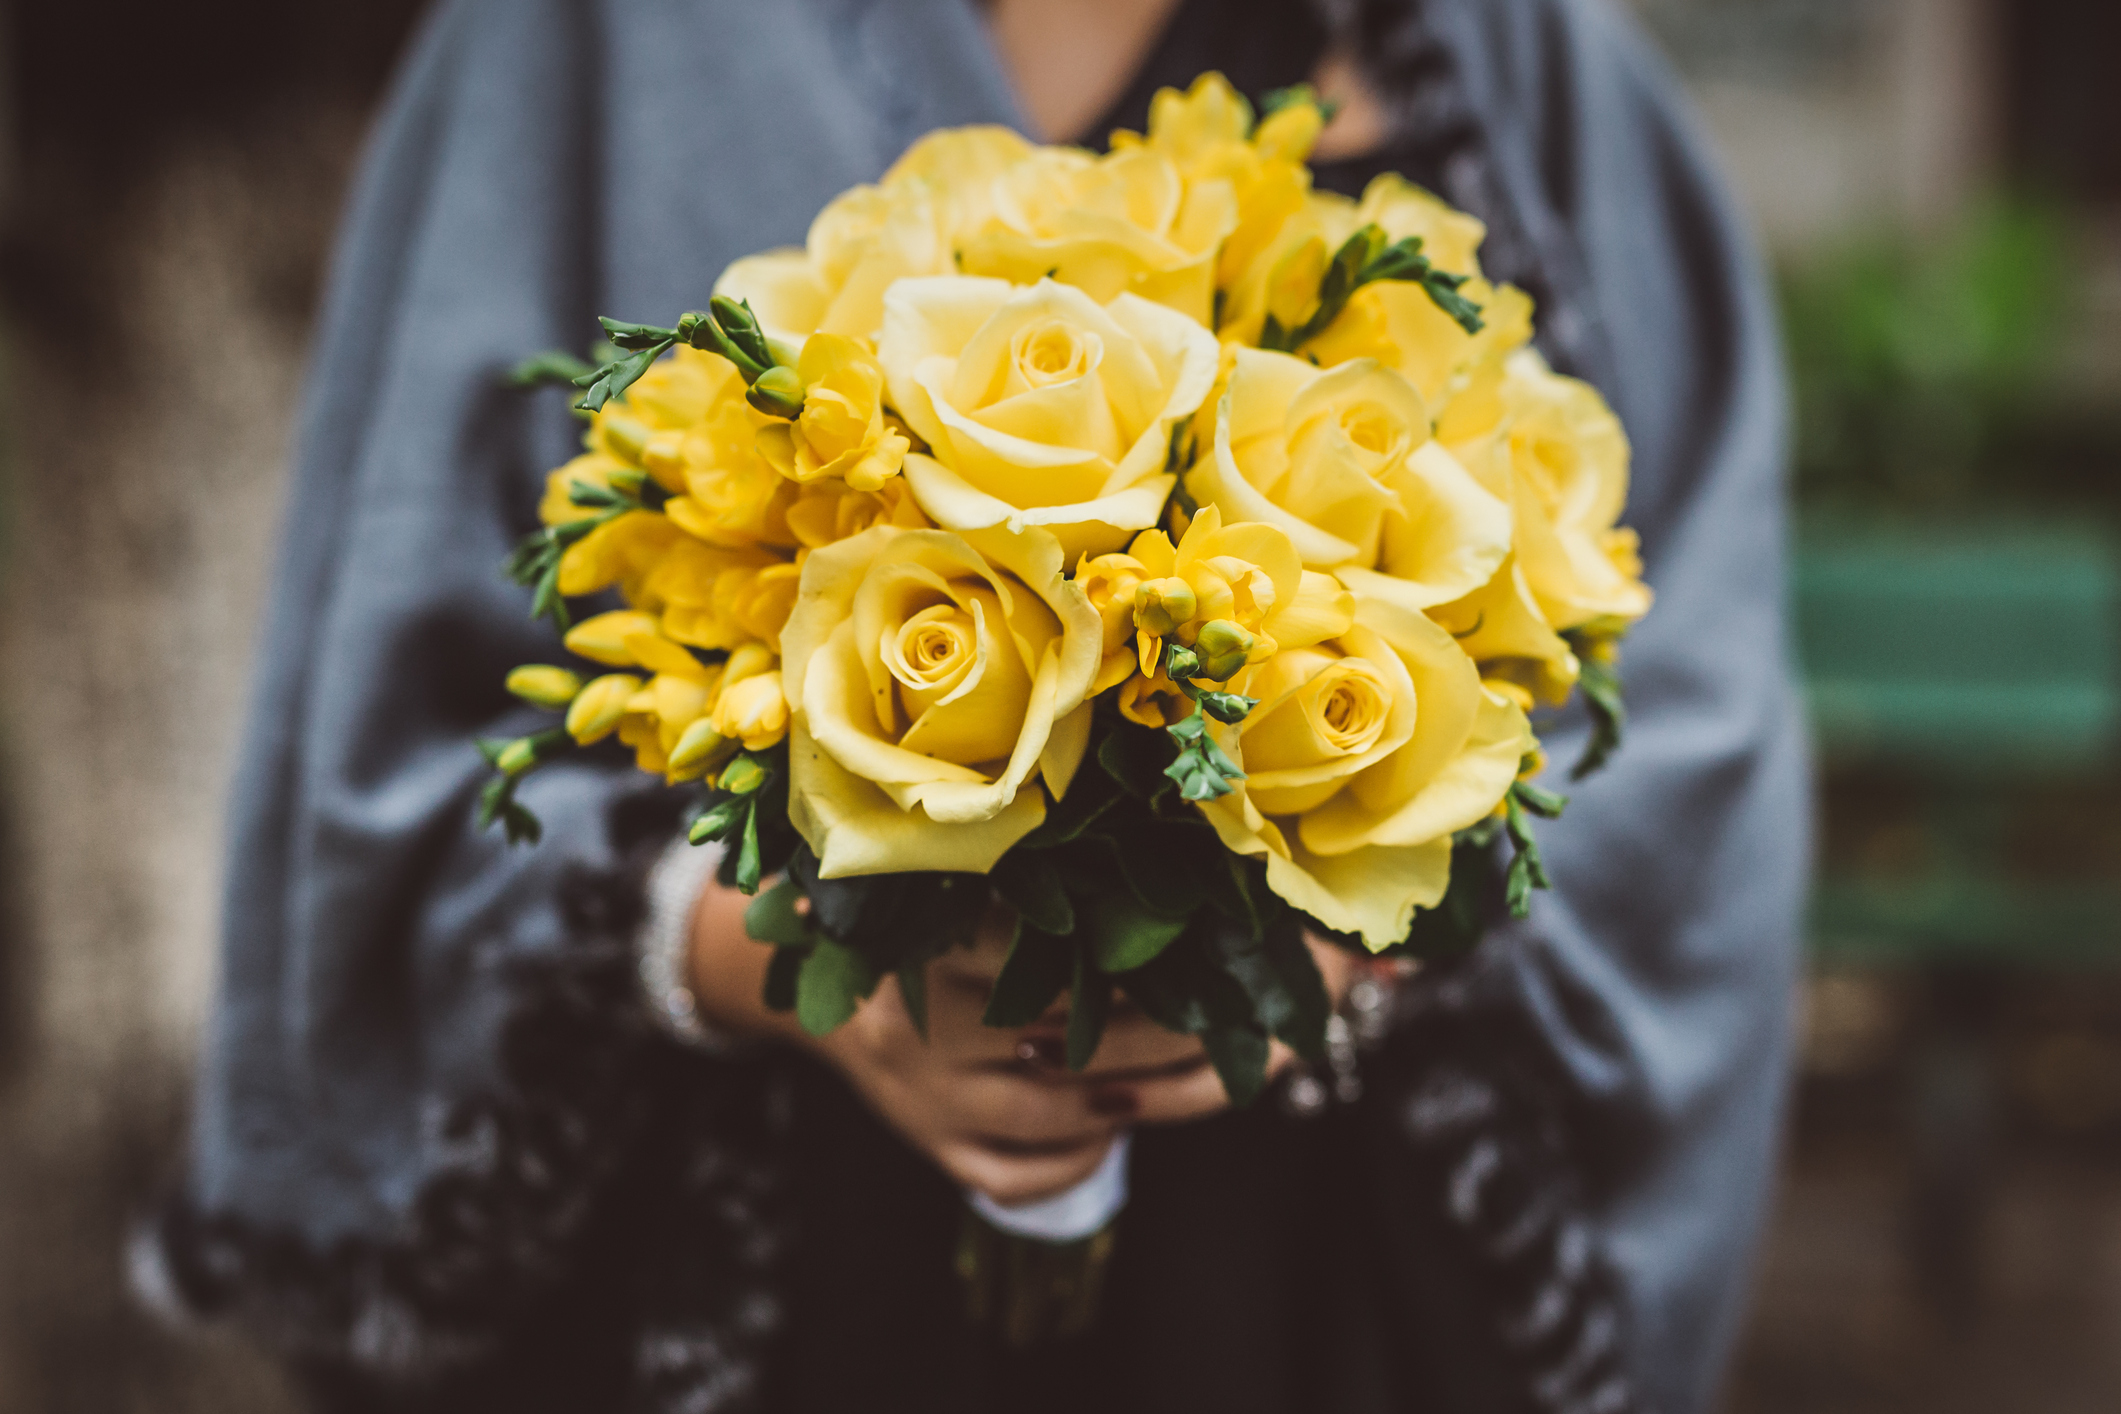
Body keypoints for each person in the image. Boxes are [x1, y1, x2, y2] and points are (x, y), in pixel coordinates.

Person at [145, 0, 1810, 1411]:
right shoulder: (593, 44)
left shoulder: (1510, 56)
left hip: (1313, 1290)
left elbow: (1673, 692)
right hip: (769, 1286)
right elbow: (384, 737)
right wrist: (764, 954)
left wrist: (1349, 918)